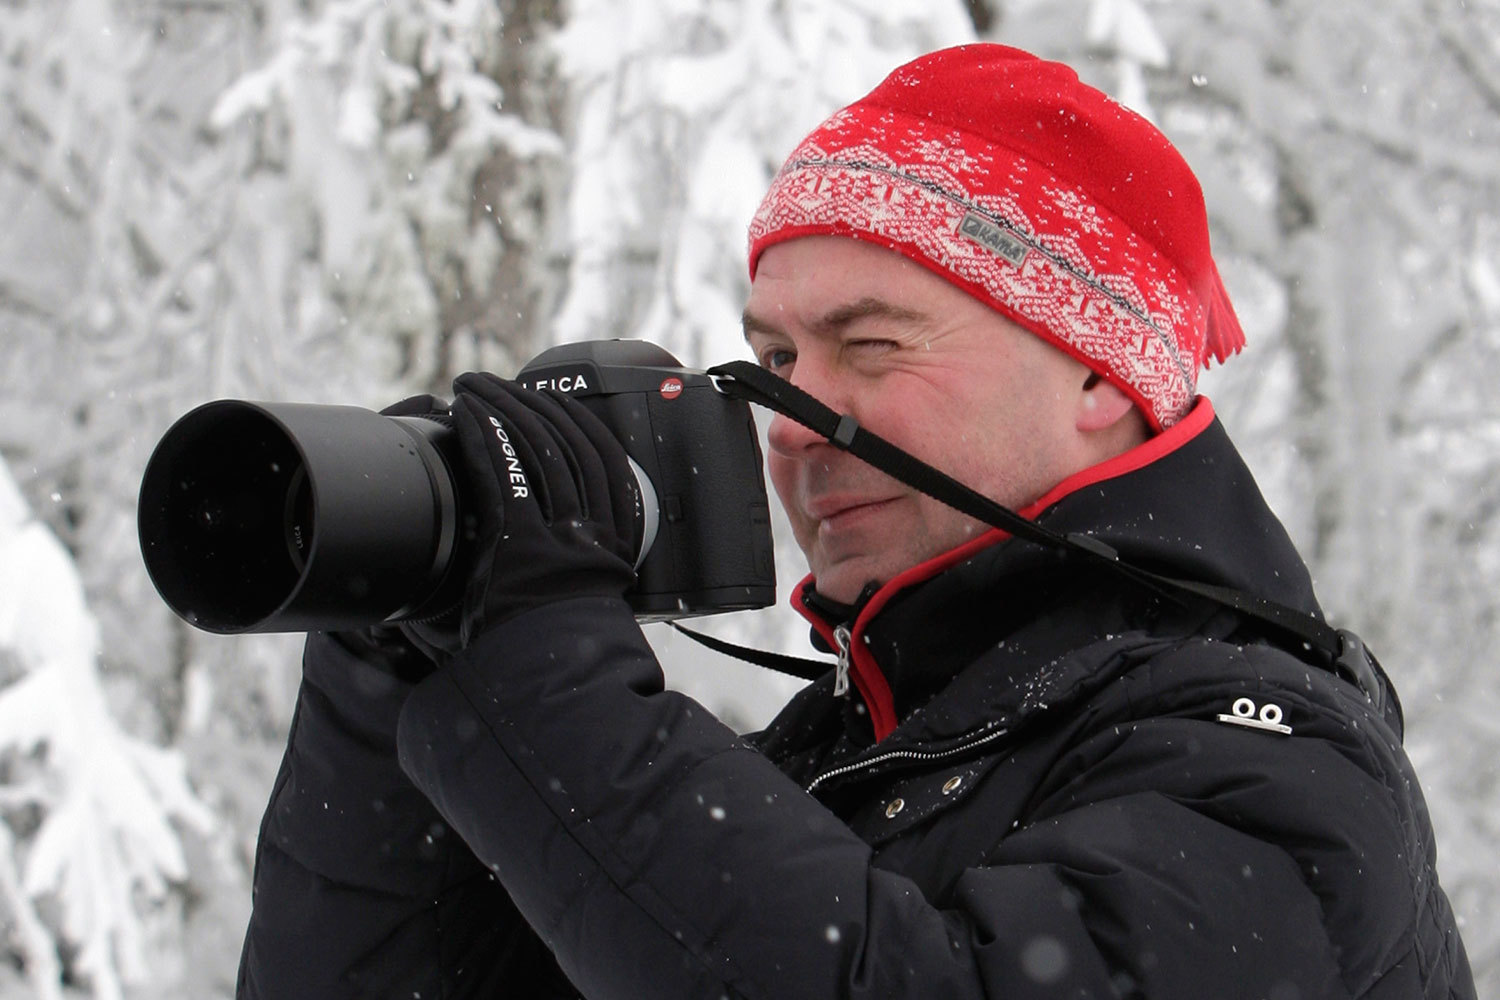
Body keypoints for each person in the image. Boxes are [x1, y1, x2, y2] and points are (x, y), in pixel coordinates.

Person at [236, 44, 1474, 999]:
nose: (792, 418)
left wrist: (549, 675)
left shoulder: (1276, 765)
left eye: (870, 346)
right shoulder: (851, 763)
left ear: (1103, 377)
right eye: (771, 355)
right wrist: (405, 656)